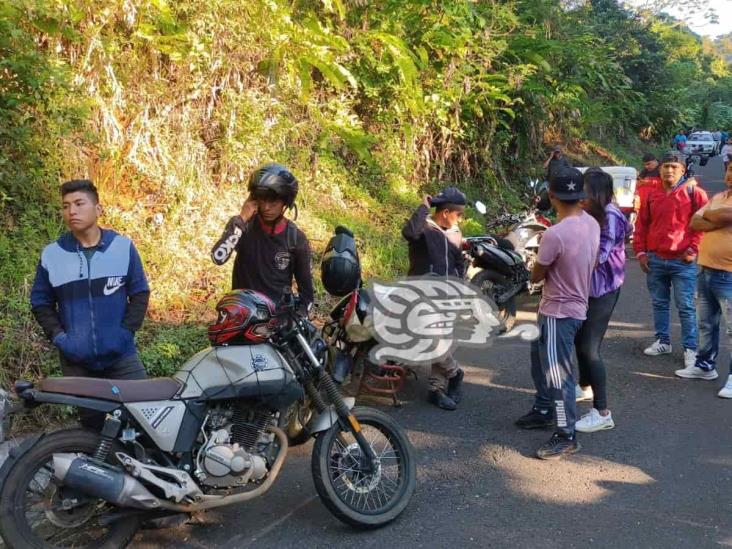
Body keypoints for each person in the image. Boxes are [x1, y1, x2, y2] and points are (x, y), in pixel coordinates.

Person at [30, 179, 150, 426]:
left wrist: (125, 333)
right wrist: (61, 338)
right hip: (77, 362)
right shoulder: (53, 255)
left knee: (144, 419)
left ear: (98, 209)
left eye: (79, 203)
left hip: (122, 356)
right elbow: (41, 302)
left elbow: (140, 293)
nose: (71, 211)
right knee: (92, 429)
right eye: (65, 206)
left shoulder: (122, 247)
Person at [515, 168, 600, 460]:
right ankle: (543, 408)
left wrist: (537, 264)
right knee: (540, 359)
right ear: (580, 196)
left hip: (558, 312)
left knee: (558, 375)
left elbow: (538, 274)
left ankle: (566, 434)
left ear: (552, 196)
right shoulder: (591, 223)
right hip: (575, 306)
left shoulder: (554, 234)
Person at [633, 151, 708, 368]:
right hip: (655, 258)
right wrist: (641, 252)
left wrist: (693, 249)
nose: (669, 170)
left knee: (685, 306)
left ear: (683, 170)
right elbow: (642, 225)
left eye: (674, 167)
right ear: (660, 169)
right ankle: (663, 341)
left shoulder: (695, 193)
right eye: (666, 166)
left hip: (682, 260)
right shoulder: (651, 194)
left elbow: (703, 225)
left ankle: (690, 349)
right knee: (659, 302)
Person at [574, 169, 633, 432]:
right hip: (588, 287)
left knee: (590, 347)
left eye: (584, 190)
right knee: (579, 339)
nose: (579, 195)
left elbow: (599, 255)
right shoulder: (591, 213)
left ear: (595, 192)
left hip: (604, 288)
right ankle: (585, 386)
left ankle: (602, 411)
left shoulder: (610, 215)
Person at [210, 163, 314, 310]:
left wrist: (298, 317)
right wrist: (241, 219)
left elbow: (307, 294)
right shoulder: (242, 227)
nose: (266, 207)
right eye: (262, 199)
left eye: (273, 201)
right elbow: (218, 257)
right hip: (243, 314)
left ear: (286, 201)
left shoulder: (296, 239)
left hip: (276, 320)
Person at [402, 186, 466, 410]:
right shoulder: (425, 229)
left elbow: (458, 261)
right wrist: (423, 207)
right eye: (458, 214)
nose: (460, 219)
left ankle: (436, 390)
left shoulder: (455, 234)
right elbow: (408, 233)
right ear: (446, 212)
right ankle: (455, 373)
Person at [678, 161, 732, 398]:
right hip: (705, 270)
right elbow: (694, 221)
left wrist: (712, 215)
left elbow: (713, 216)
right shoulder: (719, 196)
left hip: (729, 274)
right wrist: (717, 216)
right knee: (706, 324)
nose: (731, 174)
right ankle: (704, 366)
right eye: (730, 170)